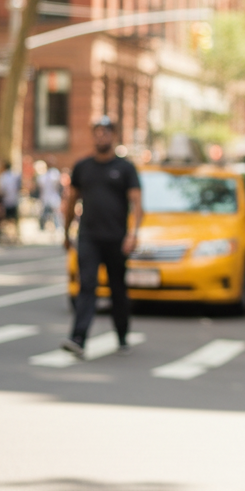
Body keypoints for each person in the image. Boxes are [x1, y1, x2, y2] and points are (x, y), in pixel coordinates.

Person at [61, 117, 142, 357]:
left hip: (116, 238)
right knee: (87, 286)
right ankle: (78, 338)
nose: (101, 137)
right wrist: (66, 232)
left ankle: (122, 333)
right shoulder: (82, 167)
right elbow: (72, 201)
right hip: (89, 237)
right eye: (97, 132)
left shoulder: (126, 168)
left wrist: (133, 234)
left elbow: (137, 204)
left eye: (105, 132)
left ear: (113, 136)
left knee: (117, 289)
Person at [0, 160, 22, 242]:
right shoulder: (15, 175)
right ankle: (15, 235)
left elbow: (1, 190)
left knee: (6, 219)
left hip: (6, 201)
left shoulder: (3, 177)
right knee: (14, 219)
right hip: (14, 200)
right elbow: (19, 187)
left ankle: (9, 236)